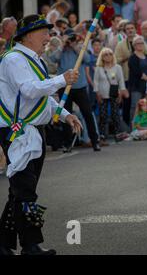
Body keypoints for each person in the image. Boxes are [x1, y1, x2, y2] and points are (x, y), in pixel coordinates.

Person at [0, 14, 81, 255]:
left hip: (34, 129)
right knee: (25, 190)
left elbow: (43, 97)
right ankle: (30, 245)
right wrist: (61, 79)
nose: (48, 37)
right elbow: (29, 90)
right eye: (44, 32)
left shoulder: (35, 60)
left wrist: (66, 114)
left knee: (19, 190)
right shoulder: (14, 59)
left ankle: (3, 244)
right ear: (27, 36)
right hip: (18, 130)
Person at [47, 28, 101, 152]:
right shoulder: (61, 50)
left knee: (87, 113)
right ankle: (68, 143)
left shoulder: (79, 47)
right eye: (68, 37)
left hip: (79, 86)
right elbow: (53, 59)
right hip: (65, 87)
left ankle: (95, 141)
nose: (70, 39)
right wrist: (63, 44)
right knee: (66, 114)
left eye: (71, 37)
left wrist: (75, 46)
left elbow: (88, 59)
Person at [94, 47, 127, 142]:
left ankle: (117, 133)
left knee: (115, 114)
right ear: (102, 57)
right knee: (102, 115)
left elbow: (121, 81)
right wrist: (97, 93)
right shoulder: (99, 68)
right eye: (105, 54)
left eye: (110, 54)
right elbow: (95, 82)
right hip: (102, 94)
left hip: (114, 93)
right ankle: (103, 134)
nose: (108, 56)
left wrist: (121, 92)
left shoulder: (118, 67)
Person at [128, 36, 147, 120]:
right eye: (138, 43)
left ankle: (146, 126)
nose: (140, 45)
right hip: (137, 86)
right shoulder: (132, 58)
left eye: (141, 43)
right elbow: (137, 72)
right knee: (135, 106)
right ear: (134, 45)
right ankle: (134, 127)